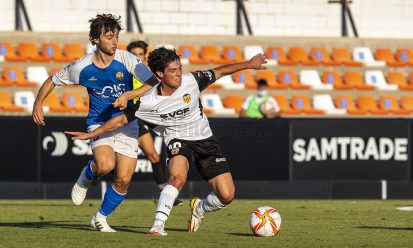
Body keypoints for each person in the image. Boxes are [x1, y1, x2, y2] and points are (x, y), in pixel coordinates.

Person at [65, 47, 267, 236]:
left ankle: (199, 208)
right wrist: (92, 134)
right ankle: (158, 225)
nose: (179, 73)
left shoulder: (193, 81)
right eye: (173, 70)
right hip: (178, 140)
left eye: (179, 68)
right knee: (177, 178)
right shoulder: (147, 102)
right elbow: (120, 120)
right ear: (160, 74)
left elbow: (220, 71)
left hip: (205, 140)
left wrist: (249, 64)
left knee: (227, 195)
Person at [32, 14, 156, 232]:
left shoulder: (127, 59)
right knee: (105, 165)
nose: (114, 41)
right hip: (99, 122)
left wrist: (129, 95)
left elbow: (152, 81)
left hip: (127, 122)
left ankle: (100, 218)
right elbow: (52, 80)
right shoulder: (81, 67)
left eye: (116, 36)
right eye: (109, 37)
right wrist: (38, 103)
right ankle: (86, 177)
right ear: (95, 39)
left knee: (124, 179)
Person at [126, 40, 182, 206]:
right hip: (124, 116)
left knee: (153, 155)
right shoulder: (124, 72)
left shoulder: (151, 74)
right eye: (133, 54)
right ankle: (95, 171)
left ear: (145, 55)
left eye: (140, 54)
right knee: (111, 162)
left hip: (140, 116)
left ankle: (165, 193)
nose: (137, 57)